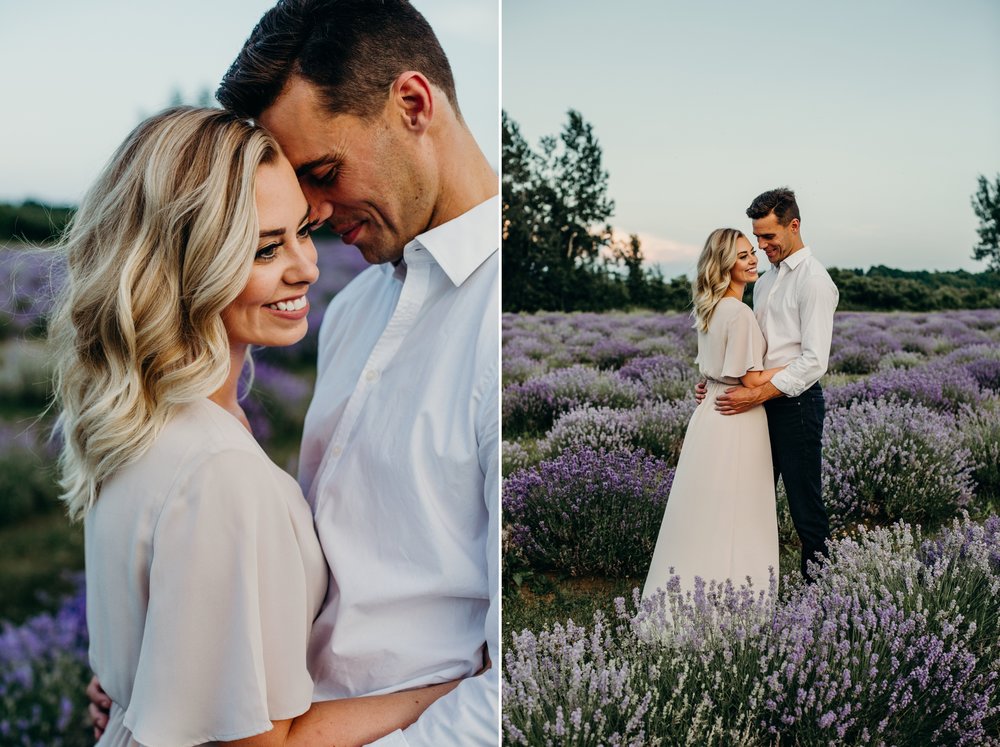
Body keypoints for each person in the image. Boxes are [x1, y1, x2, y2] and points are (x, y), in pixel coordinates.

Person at [56, 106, 460, 747]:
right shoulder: (218, 470)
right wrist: (454, 686)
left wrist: (136, 700)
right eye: (266, 248)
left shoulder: (137, 419)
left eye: (303, 231)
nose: (306, 267)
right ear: (185, 263)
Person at [642, 228, 782, 605]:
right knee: (740, 510)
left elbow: (711, 373)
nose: (752, 259)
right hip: (738, 416)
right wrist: (793, 367)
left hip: (710, 413)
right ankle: (735, 603)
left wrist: (710, 383)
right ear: (724, 264)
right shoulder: (738, 313)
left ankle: (687, 597)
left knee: (704, 510)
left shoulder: (710, 307)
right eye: (742, 256)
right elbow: (751, 379)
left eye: (752, 252)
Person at [711, 188, 839, 580]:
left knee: (805, 506)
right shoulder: (765, 281)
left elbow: (814, 361)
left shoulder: (814, 281)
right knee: (752, 496)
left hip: (797, 406)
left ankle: (820, 594)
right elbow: (755, 350)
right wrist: (719, 383)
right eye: (758, 237)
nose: (762, 246)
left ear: (794, 226)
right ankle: (745, 585)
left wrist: (758, 394)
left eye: (769, 236)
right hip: (759, 405)